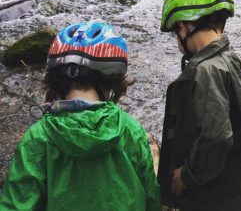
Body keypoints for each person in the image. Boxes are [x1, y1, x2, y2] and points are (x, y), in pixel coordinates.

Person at [0, 21, 160, 211]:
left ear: (55, 79)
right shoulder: (131, 130)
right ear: (112, 80)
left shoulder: (38, 138)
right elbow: (151, 197)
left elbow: (17, 204)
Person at [158, 0, 241, 211]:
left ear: (184, 26)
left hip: (214, 199)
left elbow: (217, 137)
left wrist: (186, 177)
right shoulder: (232, 59)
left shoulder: (205, 71)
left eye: (175, 32)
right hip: (240, 190)